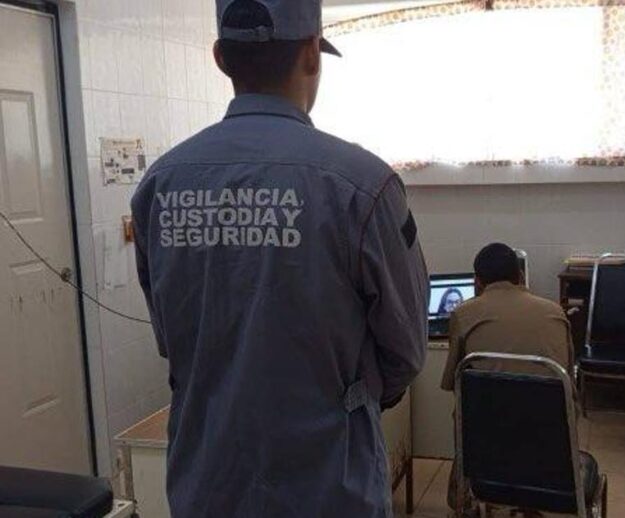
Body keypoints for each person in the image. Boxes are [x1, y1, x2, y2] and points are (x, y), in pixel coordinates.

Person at [130, 0, 428, 516]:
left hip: (208, 483)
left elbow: (170, 338)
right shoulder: (363, 185)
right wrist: (354, 396)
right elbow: (406, 350)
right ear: (311, 54)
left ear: (221, 57)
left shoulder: (160, 183)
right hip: (328, 488)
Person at [440, 242, 573, 514]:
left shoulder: (463, 314)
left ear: (477, 282)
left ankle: (467, 495)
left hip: (488, 453)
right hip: (550, 454)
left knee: (466, 407)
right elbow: (568, 380)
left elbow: (452, 383)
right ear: (520, 276)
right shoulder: (555, 313)